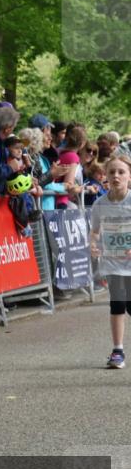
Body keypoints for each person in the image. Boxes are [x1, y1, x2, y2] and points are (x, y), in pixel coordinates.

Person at [89, 155, 131, 369]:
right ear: (105, 175)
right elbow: (95, 232)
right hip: (113, 263)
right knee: (117, 304)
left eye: (121, 172)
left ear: (129, 176)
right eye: (112, 172)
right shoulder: (99, 204)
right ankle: (118, 351)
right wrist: (93, 244)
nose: (116, 176)